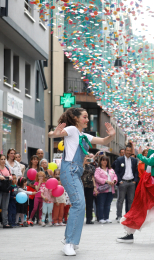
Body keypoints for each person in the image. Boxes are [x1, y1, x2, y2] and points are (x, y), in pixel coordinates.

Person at [48, 107, 116, 256]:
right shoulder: (72, 129)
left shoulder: (83, 135)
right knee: (79, 204)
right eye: (84, 117)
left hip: (77, 172)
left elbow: (104, 141)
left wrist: (111, 135)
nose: (87, 119)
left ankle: (69, 239)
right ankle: (69, 243)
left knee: (80, 205)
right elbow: (52, 134)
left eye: (87, 117)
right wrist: (55, 133)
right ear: (76, 118)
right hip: (69, 170)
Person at [113, 143, 138, 222]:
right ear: (125, 151)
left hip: (131, 182)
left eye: (130, 151)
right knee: (120, 200)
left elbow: (136, 171)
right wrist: (119, 181)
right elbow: (116, 171)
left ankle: (129, 216)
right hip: (123, 182)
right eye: (127, 150)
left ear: (131, 152)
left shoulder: (134, 160)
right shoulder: (120, 159)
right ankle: (119, 216)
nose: (128, 152)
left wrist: (135, 181)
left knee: (131, 200)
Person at [95, 155, 117, 223]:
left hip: (110, 189)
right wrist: (106, 181)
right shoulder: (98, 169)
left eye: (106, 160)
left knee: (108, 204)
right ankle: (101, 218)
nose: (105, 162)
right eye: (103, 160)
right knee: (101, 204)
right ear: (100, 161)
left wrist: (114, 181)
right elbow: (97, 178)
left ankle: (106, 217)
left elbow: (115, 176)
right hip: (102, 189)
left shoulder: (111, 169)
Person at [24, 155, 43, 224]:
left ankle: (39, 219)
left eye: (37, 160)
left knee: (40, 204)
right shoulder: (28, 169)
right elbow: (25, 178)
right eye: (34, 159)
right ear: (31, 160)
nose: (36, 161)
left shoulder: (40, 169)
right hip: (31, 188)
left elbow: (43, 177)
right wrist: (30, 184)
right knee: (32, 204)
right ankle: (31, 218)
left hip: (39, 188)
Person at [81, 153, 96, 224]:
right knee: (81, 203)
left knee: (89, 203)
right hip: (82, 186)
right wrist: (83, 163)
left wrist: (95, 187)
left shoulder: (91, 167)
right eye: (85, 157)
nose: (87, 158)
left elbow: (93, 177)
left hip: (90, 186)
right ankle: (80, 219)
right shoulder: (80, 165)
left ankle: (89, 219)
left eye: (88, 157)